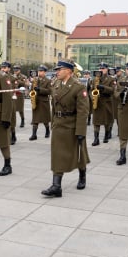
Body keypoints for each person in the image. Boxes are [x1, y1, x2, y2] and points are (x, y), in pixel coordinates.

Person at [41, 59, 90, 198]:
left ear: (69, 71)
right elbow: (54, 105)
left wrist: (80, 131)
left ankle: (82, 174)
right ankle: (56, 186)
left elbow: (83, 111)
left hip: (71, 124)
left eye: (59, 69)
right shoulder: (56, 84)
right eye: (56, 69)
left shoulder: (78, 87)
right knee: (57, 154)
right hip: (58, 124)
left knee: (79, 152)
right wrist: (53, 122)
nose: (57, 72)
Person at [91, 62, 115, 146]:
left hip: (106, 102)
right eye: (100, 68)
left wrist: (103, 87)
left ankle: (106, 135)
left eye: (103, 68)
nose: (101, 70)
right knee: (96, 122)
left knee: (106, 121)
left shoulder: (111, 79)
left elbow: (113, 90)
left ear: (107, 69)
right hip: (97, 102)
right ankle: (96, 138)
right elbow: (91, 89)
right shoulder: (95, 79)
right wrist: (93, 97)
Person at [29, 65, 52, 140]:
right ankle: (34, 134)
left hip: (43, 102)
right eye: (39, 71)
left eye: (41, 71)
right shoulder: (35, 80)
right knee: (35, 119)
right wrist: (31, 92)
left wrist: (40, 89)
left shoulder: (48, 81)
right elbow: (31, 90)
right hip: (36, 101)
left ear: (45, 72)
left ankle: (47, 131)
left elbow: (49, 91)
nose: (39, 73)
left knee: (45, 119)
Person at [0, 61, 18, 145]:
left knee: (11, 118)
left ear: (9, 68)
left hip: (10, 100)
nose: (3, 69)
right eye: (2, 67)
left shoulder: (12, 78)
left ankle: (13, 135)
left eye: (5, 67)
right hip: (1, 100)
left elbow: (15, 87)